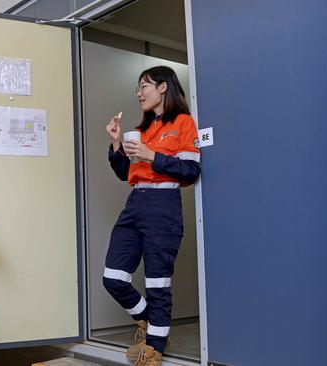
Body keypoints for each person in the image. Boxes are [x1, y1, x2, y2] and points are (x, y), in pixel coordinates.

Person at [102, 66, 201, 366]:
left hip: (164, 203)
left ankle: (155, 346)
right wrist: (117, 142)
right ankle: (152, 324)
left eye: (144, 85)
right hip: (135, 203)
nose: (138, 92)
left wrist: (151, 156)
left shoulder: (183, 123)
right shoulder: (142, 130)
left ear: (163, 87)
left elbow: (191, 170)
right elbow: (124, 173)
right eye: (138, 87)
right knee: (113, 277)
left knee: (157, 282)